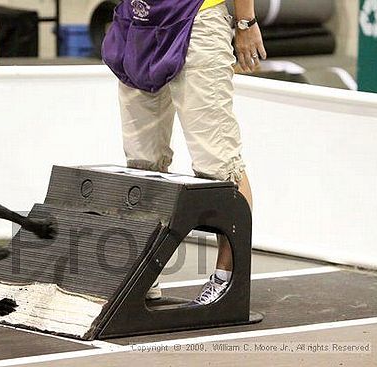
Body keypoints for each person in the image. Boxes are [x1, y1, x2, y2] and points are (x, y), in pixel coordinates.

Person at [102, 0, 266, 304]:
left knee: (218, 164)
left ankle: (226, 279)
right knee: (142, 164)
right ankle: (143, 276)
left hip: (198, 18)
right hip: (138, 23)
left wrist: (245, 22)